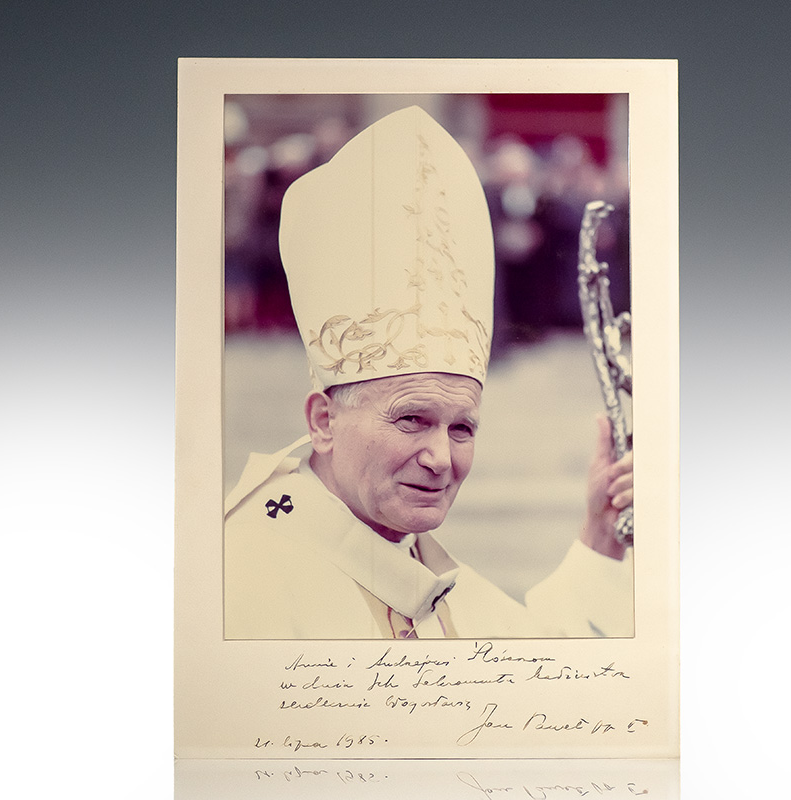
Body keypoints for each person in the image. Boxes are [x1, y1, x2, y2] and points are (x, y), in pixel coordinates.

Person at [224, 106, 634, 640]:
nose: (441, 459)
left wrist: (601, 535)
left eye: (461, 427)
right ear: (323, 420)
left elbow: (536, 662)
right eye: (412, 420)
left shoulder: (417, 565)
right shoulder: (242, 585)